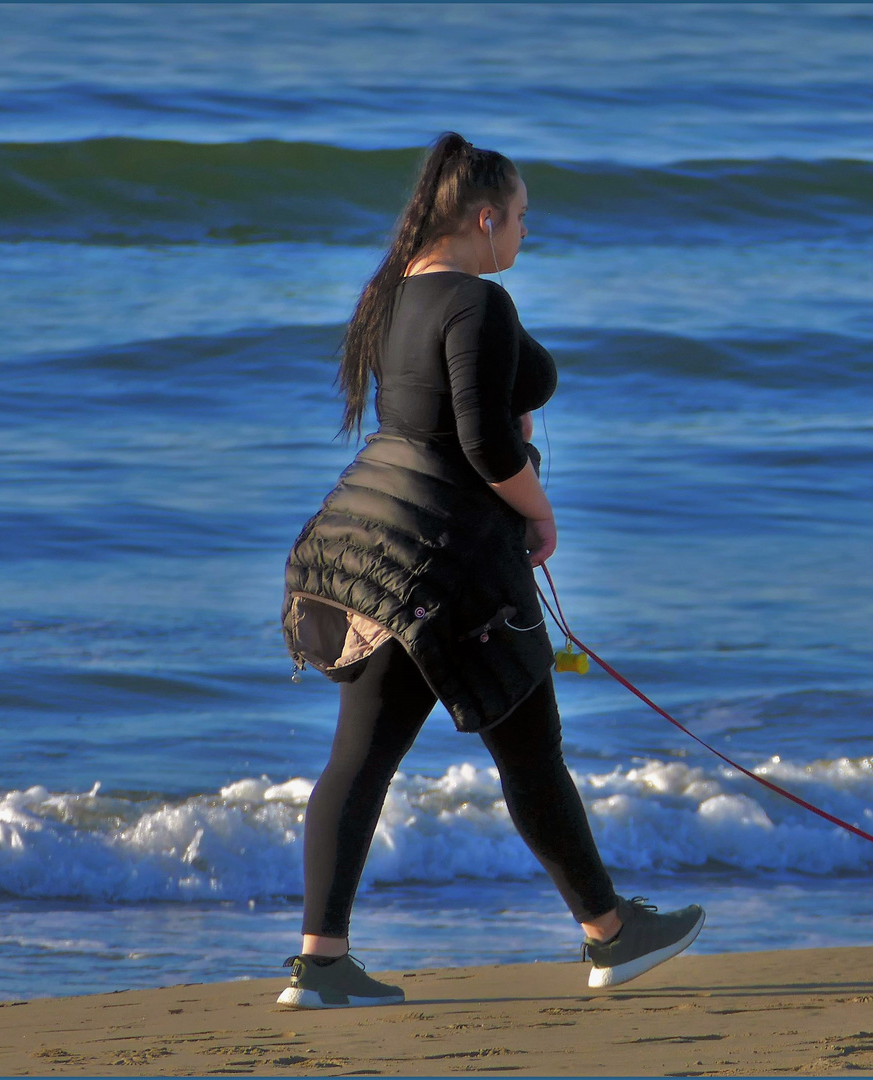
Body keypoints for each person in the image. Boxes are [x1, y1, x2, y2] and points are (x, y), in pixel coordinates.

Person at [275, 131, 704, 1009]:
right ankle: (612, 936)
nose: (523, 232)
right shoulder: (476, 302)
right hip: (446, 566)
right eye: (518, 217)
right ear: (483, 218)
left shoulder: (390, 295)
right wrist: (539, 510)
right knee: (532, 752)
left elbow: (434, 421)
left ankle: (321, 965)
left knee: (361, 759)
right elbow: (479, 440)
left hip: (360, 546)